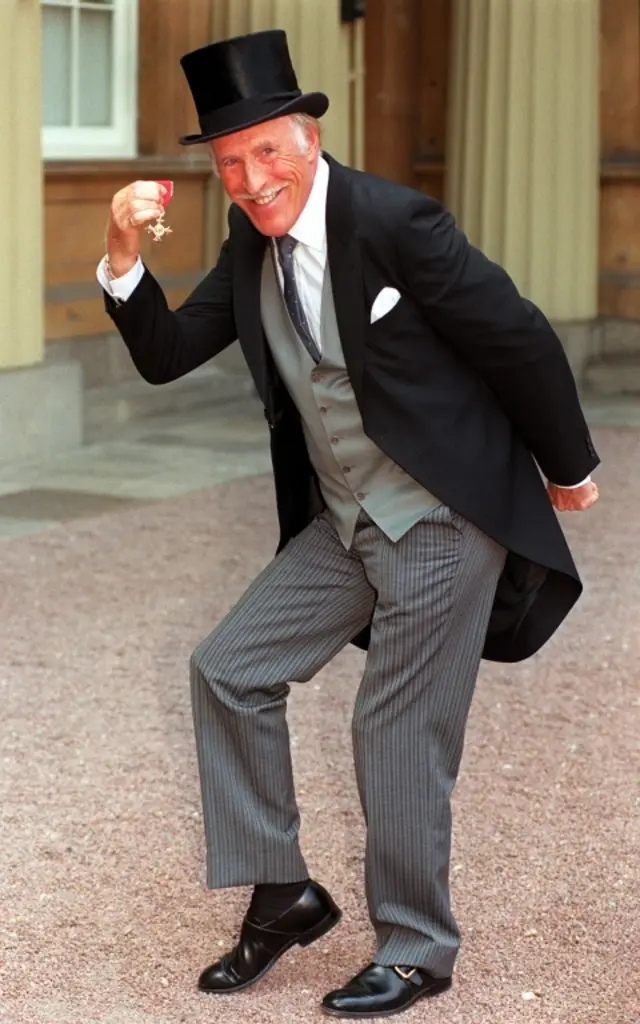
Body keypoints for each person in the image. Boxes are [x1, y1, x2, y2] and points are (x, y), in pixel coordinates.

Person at [97, 30, 600, 1020]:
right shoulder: (249, 238)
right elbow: (167, 352)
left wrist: (568, 464)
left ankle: (417, 947)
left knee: (394, 725)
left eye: (267, 152)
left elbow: (515, 334)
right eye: (230, 162)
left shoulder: (396, 221)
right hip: (343, 518)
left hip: (442, 514)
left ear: (309, 137)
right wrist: (119, 258)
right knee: (227, 666)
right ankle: (283, 893)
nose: (250, 179)